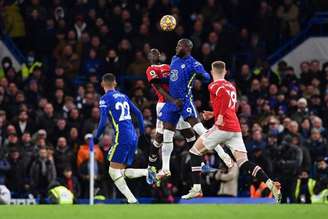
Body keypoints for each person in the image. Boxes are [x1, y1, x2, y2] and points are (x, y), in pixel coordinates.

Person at [182, 61, 282, 203]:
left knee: (194, 152)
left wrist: (220, 116)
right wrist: (214, 113)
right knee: (243, 162)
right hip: (235, 128)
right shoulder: (231, 86)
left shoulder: (214, 85)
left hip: (222, 127)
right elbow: (232, 107)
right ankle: (271, 184)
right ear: (225, 72)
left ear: (212, 72)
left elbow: (223, 98)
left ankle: (197, 188)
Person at [158, 39, 232, 179]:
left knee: (199, 130)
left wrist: (199, 75)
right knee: (167, 135)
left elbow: (206, 77)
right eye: (177, 44)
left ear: (186, 48)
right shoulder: (174, 58)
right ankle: (165, 169)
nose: (177, 47)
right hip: (172, 102)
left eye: (179, 45)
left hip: (185, 101)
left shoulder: (193, 63)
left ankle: (222, 153)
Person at [94, 73, 156, 203]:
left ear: (102, 84)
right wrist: (143, 133)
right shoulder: (124, 96)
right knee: (120, 172)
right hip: (133, 135)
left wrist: (96, 137)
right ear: (115, 83)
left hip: (122, 136)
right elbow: (139, 114)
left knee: (113, 172)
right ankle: (146, 173)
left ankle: (133, 198)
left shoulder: (105, 98)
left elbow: (103, 121)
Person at [145, 48, 196, 169]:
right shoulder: (151, 69)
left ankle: (199, 162)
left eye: (157, 52)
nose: (155, 53)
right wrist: (172, 100)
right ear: (149, 57)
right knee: (160, 135)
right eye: (152, 53)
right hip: (165, 104)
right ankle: (152, 164)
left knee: (188, 132)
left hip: (177, 103)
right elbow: (158, 86)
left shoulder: (168, 66)